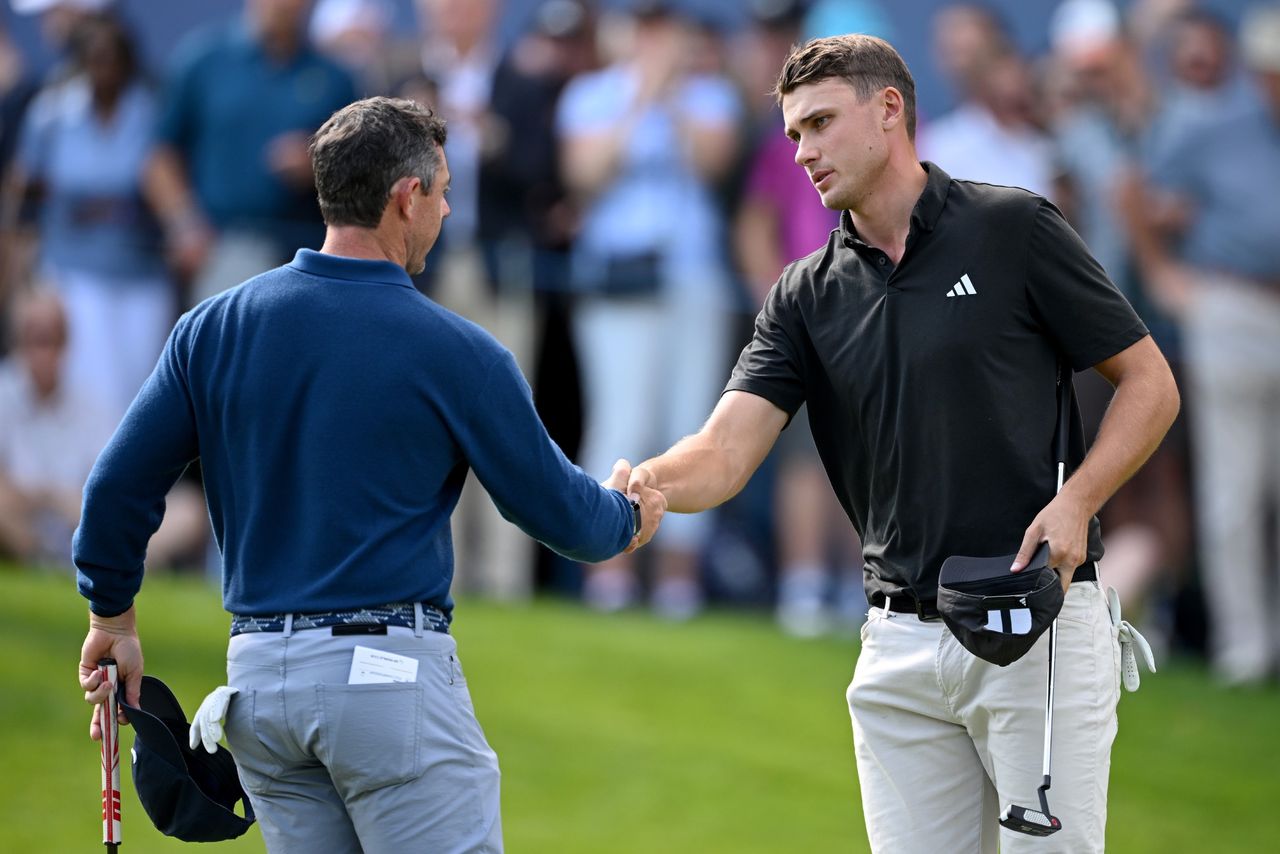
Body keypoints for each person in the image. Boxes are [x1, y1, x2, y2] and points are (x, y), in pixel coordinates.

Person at [626, 35, 1178, 852]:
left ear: (889, 111)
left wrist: (1079, 501)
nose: (804, 152)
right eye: (792, 135)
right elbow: (725, 451)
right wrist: (645, 484)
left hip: (1038, 623)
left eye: (820, 123)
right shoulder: (803, 295)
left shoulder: (1013, 227)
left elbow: (1150, 383)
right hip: (895, 647)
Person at [76, 96, 666, 852]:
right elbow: (561, 513)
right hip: (387, 679)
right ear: (405, 196)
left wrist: (110, 619)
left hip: (258, 686)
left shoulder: (212, 328)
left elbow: (116, 489)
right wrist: (628, 515)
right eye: (443, 190)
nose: (449, 209)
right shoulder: (459, 351)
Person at [557, 0, 740, 618]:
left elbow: (714, 162)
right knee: (621, 417)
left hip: (692, 278)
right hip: (617, 280)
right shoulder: (591, 95)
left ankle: (677, 579)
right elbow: (585, 172)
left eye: (663, 26)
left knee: (689, 423)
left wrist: (672, 96)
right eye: (643, 26)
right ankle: (609, 568)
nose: (653, 37)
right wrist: (643, 95)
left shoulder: (709, 96)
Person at [1123, 4, 1280, 686]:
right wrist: (1163, 270)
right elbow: (1134, 191)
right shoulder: (1214, 127)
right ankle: (1245, 649)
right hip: (1233, 305)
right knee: (1233, 491)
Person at [3, 13, 173, 424]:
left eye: (112, 59)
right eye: (94, 59)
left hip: (141, 270)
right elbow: (23, 195)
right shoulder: (51, 115)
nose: (104, 70)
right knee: (94, 383)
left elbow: (166, 182)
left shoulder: (152, 113)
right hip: (73, 268)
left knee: (140, 387)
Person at [144, 0, 357, 307]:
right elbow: (160, 157)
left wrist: (318, 163)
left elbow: (363, 171)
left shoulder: (335, 77)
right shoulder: (204, 59)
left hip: (311, 255)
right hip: (226, 245)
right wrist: (185, 224)